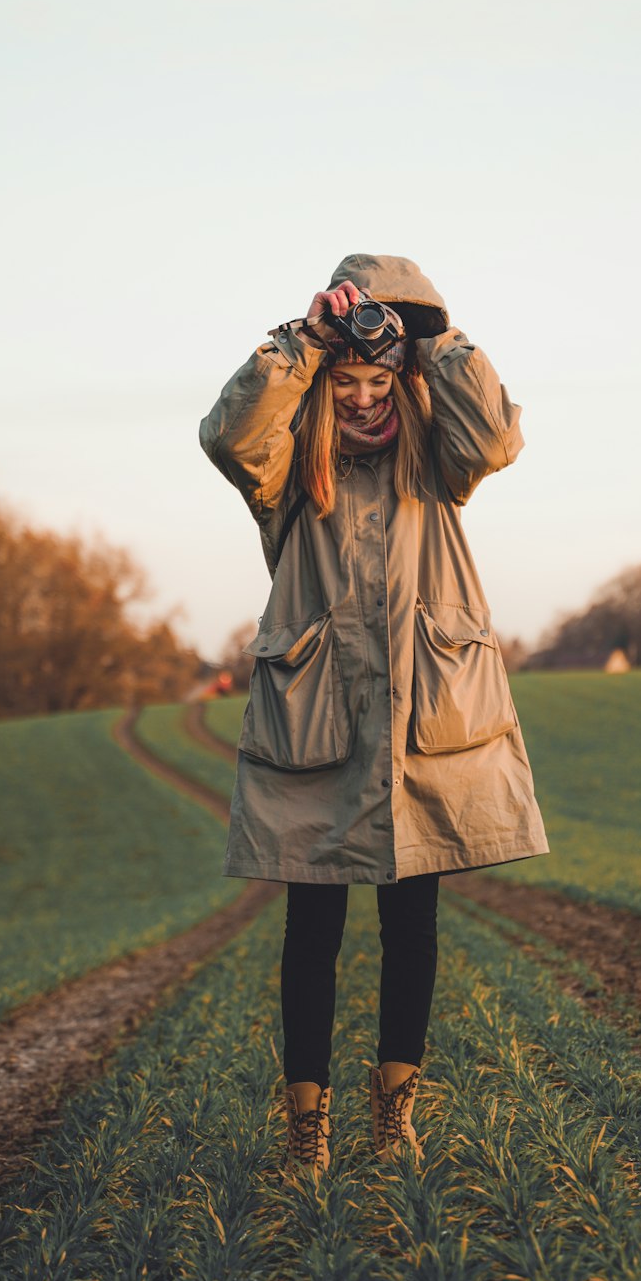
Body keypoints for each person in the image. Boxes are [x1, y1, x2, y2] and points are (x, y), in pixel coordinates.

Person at [199, 253, 549, 1175]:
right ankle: (304, 1124)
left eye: (377, 378)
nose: (361, 398)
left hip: (425, 722)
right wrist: (303, 342)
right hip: (315, 727)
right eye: (345, 382)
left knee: (412, 924)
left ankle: (394, 1111)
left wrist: (433, 337)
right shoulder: (285, 476)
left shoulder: (437, 462)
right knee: (310, 931)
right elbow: (229, 434)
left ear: (403, 378)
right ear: (323, 386)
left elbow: (498, 433)